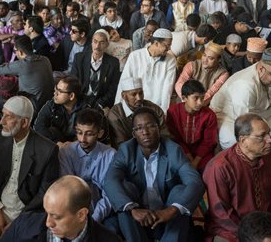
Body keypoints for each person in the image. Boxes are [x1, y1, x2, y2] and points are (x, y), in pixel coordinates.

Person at [103, 107, 205, 242]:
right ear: (134, 134)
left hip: (167, 218)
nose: (145, 132)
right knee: (124, 190)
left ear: (159, 128)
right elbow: (110, 180)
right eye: (139, 128)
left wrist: (173, 210)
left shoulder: (173, 150)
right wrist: (131, 209)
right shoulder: (126, 150)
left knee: (180, 191)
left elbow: (195, 182)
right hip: (138, 219)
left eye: (150, 126)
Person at [0, 96, 59, 242]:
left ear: (24, 122)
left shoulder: (47, 150)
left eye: (8, 117)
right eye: (3, 114)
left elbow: (44, 194)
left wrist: (19, 222)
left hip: (27, 213)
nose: (1, 121)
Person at [203, 113, 271, 241]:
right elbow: (221, 214)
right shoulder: (220, 167)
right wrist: (253, 237)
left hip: (268, 226)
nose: (270, 140)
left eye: (269, 134)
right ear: (243, 140)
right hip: (232, 229)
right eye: (262, 136)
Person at [0, 175, 121, 242]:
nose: (48, 223)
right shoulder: (23, 223)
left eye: (56, 217)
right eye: (47, 212)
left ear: (81, 214)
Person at [59, 108, 116, 224]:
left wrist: (94, 219)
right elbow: (67, 188)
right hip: (72, 208)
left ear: (100, 133)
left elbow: (110, 194)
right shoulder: (66, 152)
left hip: (104, 211)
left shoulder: (111, 155)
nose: (82, 139)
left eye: (89, 134)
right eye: (79, 132)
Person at [116, 28, 176, 113]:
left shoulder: (171, 60)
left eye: (170, 45)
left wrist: (163, 111)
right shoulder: (135, 56)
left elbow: (167, 88)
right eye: (167, 45)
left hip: (156, 107)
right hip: (134, 104)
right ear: (156, 43)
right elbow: (124, 82)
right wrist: (118, 106)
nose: (169, 48)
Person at [166, 80, 218, 171]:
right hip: (181, 149)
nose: (200, 103)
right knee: (176, 167)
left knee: (209, 169)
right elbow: (174, 137)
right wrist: (187, 154)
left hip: (202, 153)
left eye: (202, 98)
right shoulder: (173, 112)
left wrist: (195, 161)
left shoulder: (209, 115)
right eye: (196, 98)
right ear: (184, 98)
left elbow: (208, 141)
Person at [0, 35, 53, 111]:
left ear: (20, 52)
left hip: (31, 109)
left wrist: (7, 65)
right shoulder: (45, 59)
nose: (15, 53)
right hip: (50, 105)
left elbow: (0, 70)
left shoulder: (22, 64)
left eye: (15, 51)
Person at [71, 29, 120, 109]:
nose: (97, 46)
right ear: (91, 43)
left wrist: (100, 104)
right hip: (80, 100)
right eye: (95, 41)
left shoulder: (113, 63)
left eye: (102, 42)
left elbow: (113, 89)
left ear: (107, 44)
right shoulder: (79, 58)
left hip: (100, 102)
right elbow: (73, 82)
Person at [34, 75, 85, 144]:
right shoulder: (52, 105)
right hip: (57, 142)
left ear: (71, 96)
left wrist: (75, 144)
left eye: (60, 91)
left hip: (81, 144)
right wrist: (57, 142)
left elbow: (98, 133)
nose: (55, 93)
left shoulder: (88, 107)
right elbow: (38, 127)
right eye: (56, 89)